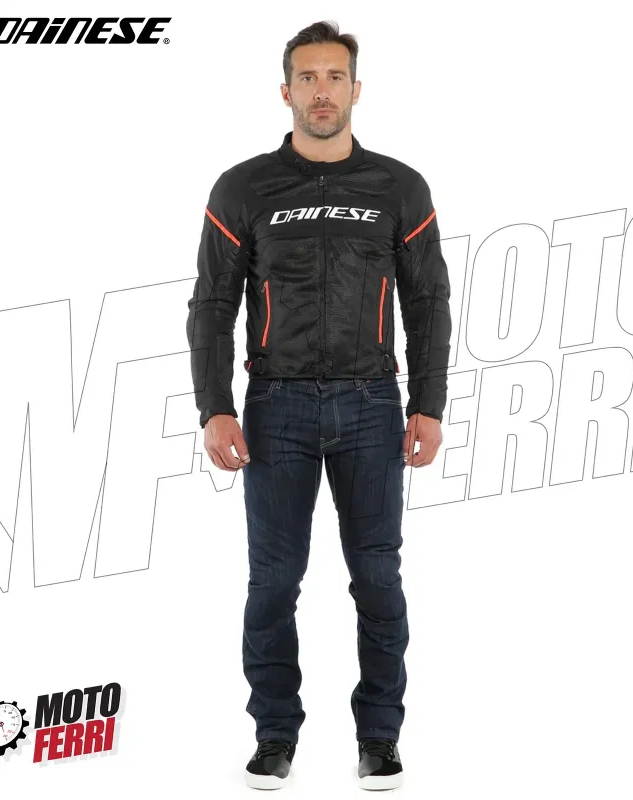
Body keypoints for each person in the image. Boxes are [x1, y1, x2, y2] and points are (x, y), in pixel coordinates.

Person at [186, 19, 452, 791]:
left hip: (374, 405)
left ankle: (380, 738)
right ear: (286, 91)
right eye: (308, 77)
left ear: (356, 89)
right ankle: (274, 735)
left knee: (378, 577)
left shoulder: (399, 188)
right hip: (276, 408)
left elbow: (427, 302)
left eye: (335, 76)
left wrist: (429, 403)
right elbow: (213, 305)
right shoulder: (243, 188)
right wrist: (215, 406)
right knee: (272, 582)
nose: (322, 91)